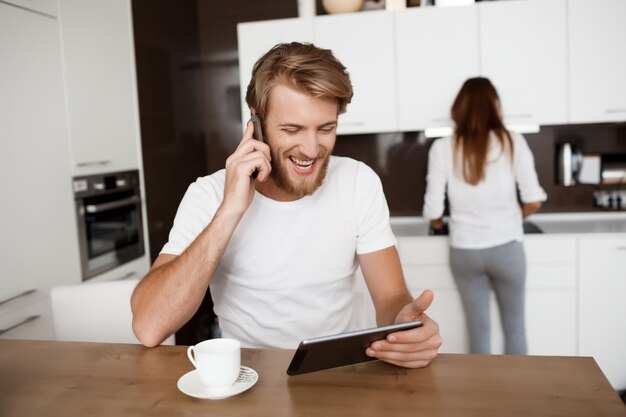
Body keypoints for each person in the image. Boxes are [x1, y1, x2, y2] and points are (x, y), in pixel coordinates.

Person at [131, 42, 441, 369]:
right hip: (247, 382)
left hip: (338, 375)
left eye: (326, 128)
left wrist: (404, 324)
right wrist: (230, 211)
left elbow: (391, 297)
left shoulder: (358, 182)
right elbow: (149, 327)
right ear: (256, 117)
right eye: (291, 129)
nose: (310, 149)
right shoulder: (208, 195)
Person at [422, 77, 546, 355]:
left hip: (465, 251)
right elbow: (534, 200)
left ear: (459, 108)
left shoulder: (443, 147)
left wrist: (439, 223)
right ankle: (518, 397)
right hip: (507, 248)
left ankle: (483, 398)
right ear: (495, 106)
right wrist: (514, 216)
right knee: (515, 327)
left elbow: (433, 211)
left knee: (478, 330)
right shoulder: (513, 142)